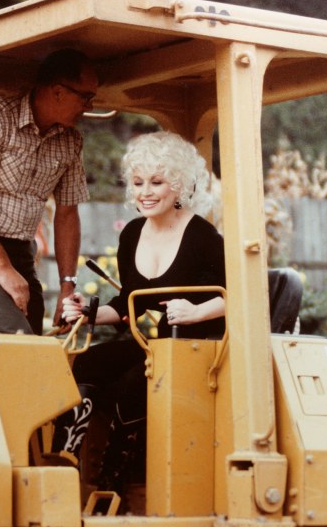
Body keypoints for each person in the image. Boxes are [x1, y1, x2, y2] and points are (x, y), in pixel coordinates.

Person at [56, 131, 226, 489]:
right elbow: (127, 305)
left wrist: (196, 312)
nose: (145, 192)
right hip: (155, 345)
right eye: (138, 183)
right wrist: (87, 311)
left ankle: (116, 478)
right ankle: (65, 465)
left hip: (197, 349)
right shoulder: (131, 234)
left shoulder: (202, 236)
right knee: (84, 363)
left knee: (136, 381)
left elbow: (237, 296)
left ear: (178, 185)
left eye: (156, 182)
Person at [0, 48, 98, 335]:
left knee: (35, 340)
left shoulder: (71, 141)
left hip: (21, 253)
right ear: (59, 92)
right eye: (86, 97)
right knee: (16, 338)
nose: (89, 105)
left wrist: (67, 287)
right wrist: (3, 270)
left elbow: (67, 213)